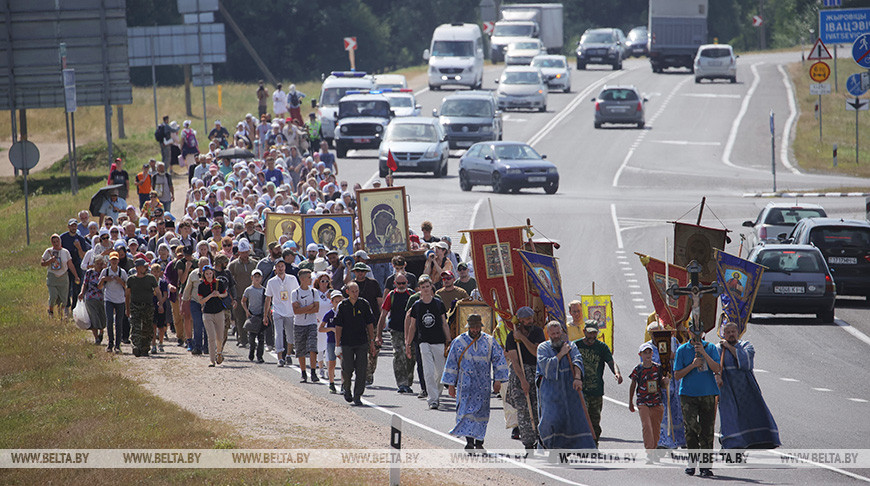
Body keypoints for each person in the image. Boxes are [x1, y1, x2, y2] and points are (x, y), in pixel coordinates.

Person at [441, 314, 509, 450]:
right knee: (466, 412)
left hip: (483, 384)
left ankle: (479, 441)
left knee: (481, 413)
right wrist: (450, 385)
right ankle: (469, 441)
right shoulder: (459, 342)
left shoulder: (489, 341)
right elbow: (452, 363)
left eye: (477, 327)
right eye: (472, 327)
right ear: (468, 327)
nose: (475, 330)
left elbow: (498, 360)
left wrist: (498, 380)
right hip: (465, 384)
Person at [717, 320, 780, 449]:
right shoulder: (718, 349)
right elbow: (714, 367)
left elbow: (746, 363)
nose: (731, 334)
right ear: (723, 334)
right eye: (727, 332)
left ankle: (758, 440)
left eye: (733, 331)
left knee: (751, 415)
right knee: (729, 416)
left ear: (738, 332)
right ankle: (731, 445)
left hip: (746, 388)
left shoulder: (746, 345)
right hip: (727, 388)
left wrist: (729, 347)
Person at [536, 321, 597, 449]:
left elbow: (577, 360)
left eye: (558, 333)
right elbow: (546, 366)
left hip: (569, 389)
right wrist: (561, 353)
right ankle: (548, 445)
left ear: (562, 332)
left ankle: (573, 448)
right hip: (551, 391)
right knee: (550, 419)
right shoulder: (543, 348)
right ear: (548, 334)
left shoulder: (570, 346)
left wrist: (577, 378)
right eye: (553, 334)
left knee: (572, 419)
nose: (556, 336)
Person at [673, 327, 722, 478]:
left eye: (699, 332)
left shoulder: (711, 347)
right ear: (689, 332)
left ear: (702, 333)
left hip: (708, 393)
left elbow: (717, 368)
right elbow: (677, 375)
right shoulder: (682, 349)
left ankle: (706, 465)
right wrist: (693, 365)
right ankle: (692, 462)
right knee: (691, 428)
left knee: (707, 430)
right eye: (693, 332)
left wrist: (704, 353)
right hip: (688, 394)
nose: (696, 335)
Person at [574, 319, 622, 445]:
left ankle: (594, 443)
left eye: (594, 333)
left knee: (595, 419)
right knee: (582, 418)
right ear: (584, 331)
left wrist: (617, 373)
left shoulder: (602, 347)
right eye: (589, 333)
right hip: (580, 389)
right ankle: (581, 444)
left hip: (596, 390)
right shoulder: (576, 346)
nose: (592, 336)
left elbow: (611, 362)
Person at [406, 276, 450, 410]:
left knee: (441, 372)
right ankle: (433, 399)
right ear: (419, 289)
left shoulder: (438, 303)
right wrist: (408, 343)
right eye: (423, 287)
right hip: (423, 341)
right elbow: (412, 326)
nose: (425, 290)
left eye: (427, 287)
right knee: (429, 371)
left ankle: (436, 393)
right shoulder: (417, 306)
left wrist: (449, 340)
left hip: (438, 341)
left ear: (431, 287)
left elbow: (444, 323)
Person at [504, 306, 544, 449]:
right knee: (523, 410)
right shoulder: (511, 336)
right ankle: (528, 442)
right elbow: (514, 361)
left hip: (535, 372)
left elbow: (536, 352)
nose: (529, 321)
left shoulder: (538, 332)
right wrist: (523, 381)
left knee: (537, 408)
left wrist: (523, 339)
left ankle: (541, 438)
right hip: (519, 373)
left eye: (531, 318)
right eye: (526, 319)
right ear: (520, 320)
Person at [334, 281, 377, 406]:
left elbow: (369, 324)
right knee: (347, 368)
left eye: (357, 291)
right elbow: (338, 326)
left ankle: (358, 395)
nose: (355, 293)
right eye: (352, 291)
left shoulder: (363, 304)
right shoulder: (342, 305)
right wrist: (338, 345)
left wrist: (372, 342)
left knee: (361, 369)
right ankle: (346, 389)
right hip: (347, 342)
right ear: (347, 292)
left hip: (361, 342)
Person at [376, 273, 415, 394]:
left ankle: (408, 382)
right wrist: (379, 335)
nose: (402, 285)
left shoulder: (412, 295)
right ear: (394, 284)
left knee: (410, 356)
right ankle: (402, 383)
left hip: (411, 331)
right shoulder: (391, 296)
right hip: (396, 330)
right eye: (399, 283)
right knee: (399, 355)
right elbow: (383, 314)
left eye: (404, 283)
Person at [629, 342, 668, 460]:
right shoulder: (638, 369)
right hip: (643, 402)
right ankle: (650, 451)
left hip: (656, 401)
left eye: (649, 352)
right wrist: (630, 401)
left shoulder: (657, 367)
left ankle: (654, 449)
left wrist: (665, 381)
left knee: (656, 428)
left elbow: (661, 383)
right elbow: (633, 384)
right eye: (644, 353)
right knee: (647, 426)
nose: (647, 355)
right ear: (640, 354)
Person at [264, 259, 299, 368]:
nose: (280, 268)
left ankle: (288, 354)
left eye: (282, 266)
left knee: (290, 334)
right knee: (278, 333)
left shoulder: (292, 279)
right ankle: (280, 357)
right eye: (278, 266)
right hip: (277, 311)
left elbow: (297, 295)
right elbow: (268, 298)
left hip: (290, 311)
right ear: (275, 268)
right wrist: (265, 314)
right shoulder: (272, 282)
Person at [125, 258, 160, 357]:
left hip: (148, 306)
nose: (146, 268)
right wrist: (127, 309)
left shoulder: (151, 278)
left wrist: (160, 303)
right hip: (135, 306)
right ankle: (136, 346)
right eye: (144, 266)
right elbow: (127, 295)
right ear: (138, 268)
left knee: (147, 327)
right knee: (135, 327)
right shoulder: (131, 279)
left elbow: (157, 291)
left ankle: (145, 348)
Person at [292, 268, 320, 383]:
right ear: (302, 279)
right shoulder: (295, 293)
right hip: (299, 324)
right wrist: (309, 307)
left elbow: (316, 308)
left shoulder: (314, 292)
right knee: (300, 349)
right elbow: (296, 311)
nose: (311, 279)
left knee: (313, 347)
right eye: (308, 277)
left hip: (311, 323)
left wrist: (302, 308)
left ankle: (313, 372)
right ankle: (303, 373)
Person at [42, 234, 79, 319]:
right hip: (53, 277)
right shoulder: (49, 251)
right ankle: (51, 311)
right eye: (54, 242)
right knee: (53, 295)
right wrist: (50, 261)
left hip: (63, 276)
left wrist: (76, 276)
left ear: (60, 241)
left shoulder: (65, 252)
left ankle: (61, 314)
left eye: (57, 241)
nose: (56, 243)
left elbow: (70, 264)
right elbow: (42, 263)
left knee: (63, 298)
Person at [198, 265, 228, 367]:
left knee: (220, 337)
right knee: (211, 337)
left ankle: (219, 353)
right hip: (207, 313)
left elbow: (225, 294)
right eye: (207, 274)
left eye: (210, 273)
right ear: (204, 275)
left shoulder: (219, 283)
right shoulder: (201, 286)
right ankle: (212, 360)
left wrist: (218, 294)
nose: (209, 275)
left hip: (219, 312)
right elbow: (201, 300)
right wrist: (210, 295)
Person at [100, 251, 128, 353]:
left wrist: (120, 281)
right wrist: (104, 279)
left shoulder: (122, 272)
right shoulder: (105, 272)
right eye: (112, 260)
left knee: (119, 322)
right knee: (109, 320)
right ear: (109, 261)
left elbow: (127, 287)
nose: (114, 262)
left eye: (116, 259)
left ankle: (117, 345)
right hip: (108, 299)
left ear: (118, 260)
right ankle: (110, 343)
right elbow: (99, 286)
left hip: (120, 299)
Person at [61, 218, 89, 317]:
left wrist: (79, 247)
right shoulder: (63, 238)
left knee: (76, 287)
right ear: (68, 226)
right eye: (71, 225)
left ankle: (74, 308)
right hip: (65, 266)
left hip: (77, 265)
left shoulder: (80, 239)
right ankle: (66, 307)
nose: (73, 227)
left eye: (75, 225)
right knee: (66, 288)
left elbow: (83, 256)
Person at [318, 289, 344, 394]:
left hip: (343, 341)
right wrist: (332, 329)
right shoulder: (329, 314)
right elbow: (321, 328)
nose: (338, 303)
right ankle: (332, 383)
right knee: (332, 363)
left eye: (340, 301)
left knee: (344, 364)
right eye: (335, 301)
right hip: (331, 341)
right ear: (332, 302)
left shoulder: (344, 313)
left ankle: (343, 384)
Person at [78, 254, 107, 344]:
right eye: (97, 263)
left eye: (101, 263)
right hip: (90, 297)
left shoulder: (105, 273)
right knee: (93, 317)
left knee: (102, 317)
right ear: (94, 264)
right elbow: (85, 283)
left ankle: (101, 331)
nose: (99, 265)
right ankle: (96, 337)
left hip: (102, 298)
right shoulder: (89, 272)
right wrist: (82, 292)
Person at [242, 269, 267, 363]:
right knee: (252, 337)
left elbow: (267, 302)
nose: (257, 278)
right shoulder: (248, 290)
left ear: (261, 278)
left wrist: (266, 314)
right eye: (255, 277)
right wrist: (246, 311)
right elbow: (243, 301)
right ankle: (251, 352)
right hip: (252, 315)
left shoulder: (264, 290)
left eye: (258, 277)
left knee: (261, 338)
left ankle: (260, 356)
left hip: (260, 315)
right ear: (251, 278)